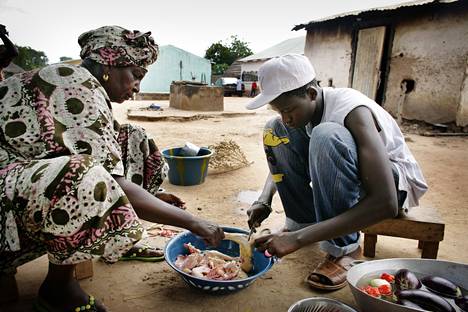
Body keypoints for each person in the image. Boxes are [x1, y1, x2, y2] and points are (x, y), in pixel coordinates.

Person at [0, 26, 224, 311]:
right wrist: (192, 221)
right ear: (109, 64)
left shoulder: (84, 85)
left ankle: (121, 239)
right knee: (82, 174)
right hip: (4, 208)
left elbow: (105, 154)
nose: (137, 87)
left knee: (132, 137)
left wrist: (151, 199)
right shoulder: (73, 83)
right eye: (136, 75)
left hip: (18, 181)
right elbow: (108, 178)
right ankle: (57, 290)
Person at [246, 54, 427, 291]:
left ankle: (345, 249)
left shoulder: (351, 110)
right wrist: (264, 199)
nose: (286, 118)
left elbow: (386, 202)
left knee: (325, 136)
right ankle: (301, 222)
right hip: (350, 176)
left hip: (393, 183)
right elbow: (285, 153)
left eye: (289, 110)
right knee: (275, 129)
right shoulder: (304, 112)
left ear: (311, 94)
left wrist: (298, 241)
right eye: (279, 110)